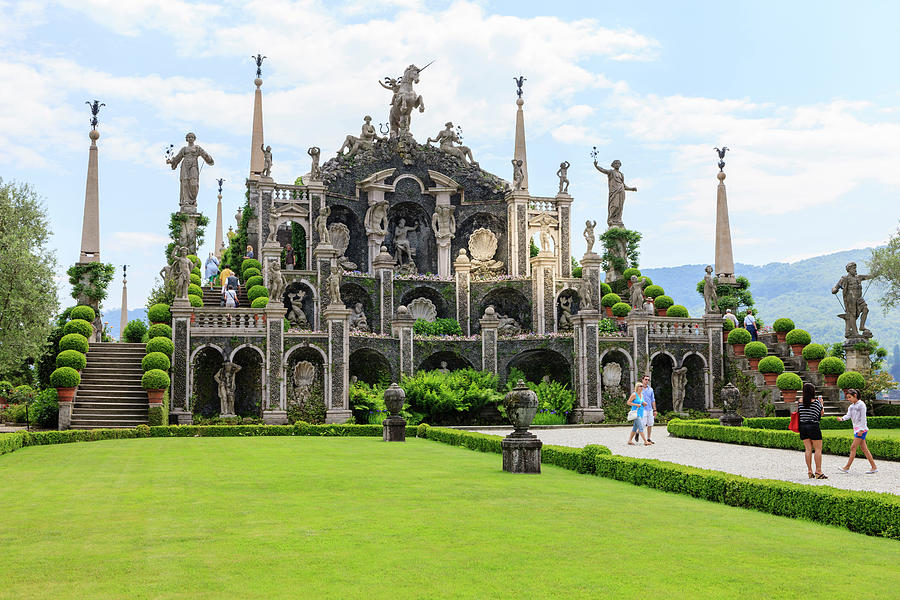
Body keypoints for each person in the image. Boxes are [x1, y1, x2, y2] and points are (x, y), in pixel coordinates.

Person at [837, 389, 878, 474]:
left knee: (853, 447)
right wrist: (842, 419)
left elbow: (863, 418)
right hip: (857, 430)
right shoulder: (851, 406)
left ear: (855, 395)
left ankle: (847, 467)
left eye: (849, 397)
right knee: (864, 449)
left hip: (861, 430)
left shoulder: (861, 405)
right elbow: (848, 415)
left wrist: (861, 430)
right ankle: (874, 467)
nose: (848, 399)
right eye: (847, 397)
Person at [796, 382, 826, 479]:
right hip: (813, 426)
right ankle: (818, 471)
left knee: (808, 449)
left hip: (803, 427)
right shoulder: (816, 402)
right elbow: (821, 414)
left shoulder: (800, 402)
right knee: (818, 449)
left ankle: (810, 471)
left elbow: (799, 413)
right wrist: (822, 404)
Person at [641, 374, 657, 444]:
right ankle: (638, 433)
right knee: (643, 424)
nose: (647, 381)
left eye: (648, 380)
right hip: (642, 409)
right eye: (645, 379)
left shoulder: (650, 389)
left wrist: (655, 410)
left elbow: (652, 400)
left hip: (649, 409)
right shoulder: (639, 388)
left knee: (650, 424)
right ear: (642, 380)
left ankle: (648, 438)